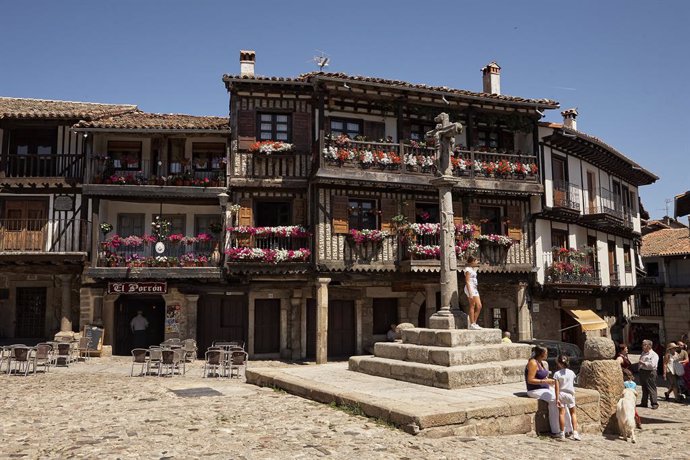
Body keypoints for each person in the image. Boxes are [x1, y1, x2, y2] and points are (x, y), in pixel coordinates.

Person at [525, 345, 572, 437]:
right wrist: (545, 381)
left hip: (545, 387)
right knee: (554, 399)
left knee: (561, 397)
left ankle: (568, 428)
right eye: (546, 352)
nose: (547, 354)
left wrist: (552, 382)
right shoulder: (533, 363)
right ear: (541, 354)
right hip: (535, 389)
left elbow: (542, 376)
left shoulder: (541, 363)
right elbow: (530, 380)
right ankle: (556, 429)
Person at [554, 355, 581, 441]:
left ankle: (562, 433)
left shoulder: (557, 374)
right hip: (570, 394)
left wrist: (557, 398)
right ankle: (575, 432)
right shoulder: (572, 373)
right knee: (573, 413)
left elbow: (557, 388)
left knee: (562, 413)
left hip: (562, 394)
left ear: (559, 363)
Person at [638, 339, 659, 409]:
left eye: (644, 345)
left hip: (650, 372)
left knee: (651, 388)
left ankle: (654, 403)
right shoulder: (643, 353)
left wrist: (643, 363)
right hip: (643, 372)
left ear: (649, 346)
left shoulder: (653, 355)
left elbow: (653, 365)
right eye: (643, 345)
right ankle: (644, 402)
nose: (642, 346)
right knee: (644, 388)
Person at [463, 256, 483, 330]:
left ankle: (474, 322)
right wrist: (470, 292)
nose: (477, 262)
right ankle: (472, 324)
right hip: (470, 288)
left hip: (474, 288)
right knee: (472, 305)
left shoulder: (473, 269)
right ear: (472, 261)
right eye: (476, 260)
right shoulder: (467, 269)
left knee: (479, 305)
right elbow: (467, 281)